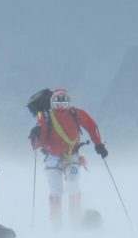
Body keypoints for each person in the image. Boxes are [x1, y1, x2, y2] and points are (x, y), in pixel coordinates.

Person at [29, 88, 107, 226]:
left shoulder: (76, 114)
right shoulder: (46, 117)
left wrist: (99, 144)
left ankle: (75, 219)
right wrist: (37, 134)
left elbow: (91, 126)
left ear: (69, 101)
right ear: (52, 102)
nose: (60, 104)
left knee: (73, 185)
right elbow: (38, 143)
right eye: (57, 101)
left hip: (72, 155)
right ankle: (56, 222)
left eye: (64, 101)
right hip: (52, 157)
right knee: (56, 189)